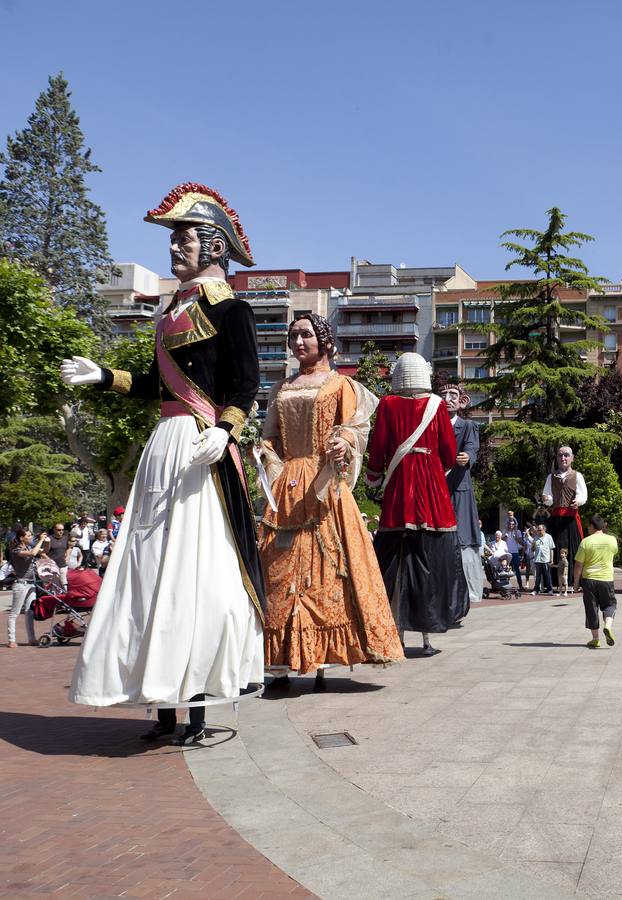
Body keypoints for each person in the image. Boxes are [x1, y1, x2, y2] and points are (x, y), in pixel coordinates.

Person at [59, 183, 265, 745]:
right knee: (151, 569)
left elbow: (247, 385)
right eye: (173, 240)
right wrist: (104, 376)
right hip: (165, 444)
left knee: (195, 573)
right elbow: (155, 385)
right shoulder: (169, 310)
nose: (174, 249)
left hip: (202, 447)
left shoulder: (232, 308)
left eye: (185, 239)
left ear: (214, 247)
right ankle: (164, 708)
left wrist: (226, 433)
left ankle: (195, 709)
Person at [255, 314, 403, 688]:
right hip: (286, 488)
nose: (298, 341)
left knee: (328, 569)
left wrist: (344, 442)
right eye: (293, 336)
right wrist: (264, 454)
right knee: (279, 569)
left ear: (324, 340)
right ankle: (280, 660)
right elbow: (270, 435)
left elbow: (356, 427)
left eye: (306, 334)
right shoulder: (281, 388)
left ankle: (322, 659)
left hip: (324, 487)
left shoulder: (341, 385)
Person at [367, 353, 464, 658]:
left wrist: (373, 477)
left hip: (399, 491)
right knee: (431, 561)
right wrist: (436, 466)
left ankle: (393, 631)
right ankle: (426, 633)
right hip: (432, 491)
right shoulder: (437, 405)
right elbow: (449, 452)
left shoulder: (387, 404)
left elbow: (378, 447)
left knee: (393, 561)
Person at [440, 382, 483, 612]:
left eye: (453, 395)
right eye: (444, 394)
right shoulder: (433, 426)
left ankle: (466, 594)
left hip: (459, 490)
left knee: (464, 541)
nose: (448, 398)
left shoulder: (467, 426)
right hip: (437, 490)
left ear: (462, 400)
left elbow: (472, 448)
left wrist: (467, 456)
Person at [543, 445, 588, 594]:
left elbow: (583, 495)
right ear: (557, 458)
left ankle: (575, 582)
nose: (563, 458)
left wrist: (578, 501)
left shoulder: (577, 475)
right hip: (556, 518)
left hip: (570, 518)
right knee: (554, 549)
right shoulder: (551, 477)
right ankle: (554, 583)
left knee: (574, 549)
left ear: (572, 458)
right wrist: (546, 499)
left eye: (566, 455)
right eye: (560, 455)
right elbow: (548, 498)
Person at [573, 515, 618, 649]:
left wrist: (576, 582)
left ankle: (595, 639)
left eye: (589, 525)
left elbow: (578, 565)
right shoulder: (612, 540)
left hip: (589, 580)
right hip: (606, 579)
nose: (588, 528)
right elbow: (613, 553)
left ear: (592, 526)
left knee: (591, 609)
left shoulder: (585, 542)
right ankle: (608, 626)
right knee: (609, 604)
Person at [5, 528, 42, 648]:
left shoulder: (30, 547)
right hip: (21, 584)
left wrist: (46, 541)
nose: (31, 537)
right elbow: (33, 554)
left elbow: (44, 551)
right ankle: (11, 640)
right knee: (14, 613)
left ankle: (31, 639)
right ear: (22, 538)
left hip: (31, 583)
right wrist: (40, 540)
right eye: (29, 536)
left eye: (32, 535)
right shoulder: (16, 549)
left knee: (30, 612)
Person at [529, 524, 555, 595]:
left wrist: (551, 559)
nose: (539, 531)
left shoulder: (549, 537)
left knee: (547, 575)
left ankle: (550, 590)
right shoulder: (536, 537)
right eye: (538, 530)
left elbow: (551, 549)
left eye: (540, 530)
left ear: (544, 530)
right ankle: (536, 590)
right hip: (537, 559)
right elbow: (533, 549)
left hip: (546, 559)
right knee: (537, 576)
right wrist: (533, 546)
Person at [503, 522, 525, 592]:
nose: (511, 525)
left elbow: (522, 543)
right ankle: (505, 586)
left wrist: (517, 539)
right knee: (506, 570)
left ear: (515, 525)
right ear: (508, 524)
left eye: (513, 524)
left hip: (515, 553)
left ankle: (520, 586)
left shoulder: (518, 532)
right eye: (510, 524)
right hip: (507, 553)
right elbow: (501, 540)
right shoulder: (505, 531)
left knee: (517, 570)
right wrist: (505, 537)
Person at [47, 523, 70, 588]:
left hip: (63, 565)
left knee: (64, 584)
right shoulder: (49, 539)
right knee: (54, 586)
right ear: (54, 530)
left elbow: (69, 548)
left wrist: (67, 556)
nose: (61, 531)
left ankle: (65, 597)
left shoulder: (65, 538)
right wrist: (50, 561)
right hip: (53, 566)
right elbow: (44, 553)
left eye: (62, 530)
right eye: (59, 530)